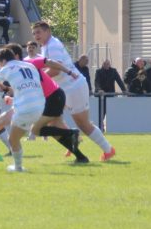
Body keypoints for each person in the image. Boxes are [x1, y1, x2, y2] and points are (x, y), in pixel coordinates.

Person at [32, 20, 116, 161]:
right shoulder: (47, 46)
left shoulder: (52, 45)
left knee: (83, 124)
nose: (36, 36)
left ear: (48, 31)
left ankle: (108, 150)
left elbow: (56, 70)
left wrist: (37, 79)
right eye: (34, 33)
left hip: (73, 87)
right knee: (53, 121)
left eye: (39, 32)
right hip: (64, 90)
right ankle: (72, 144)